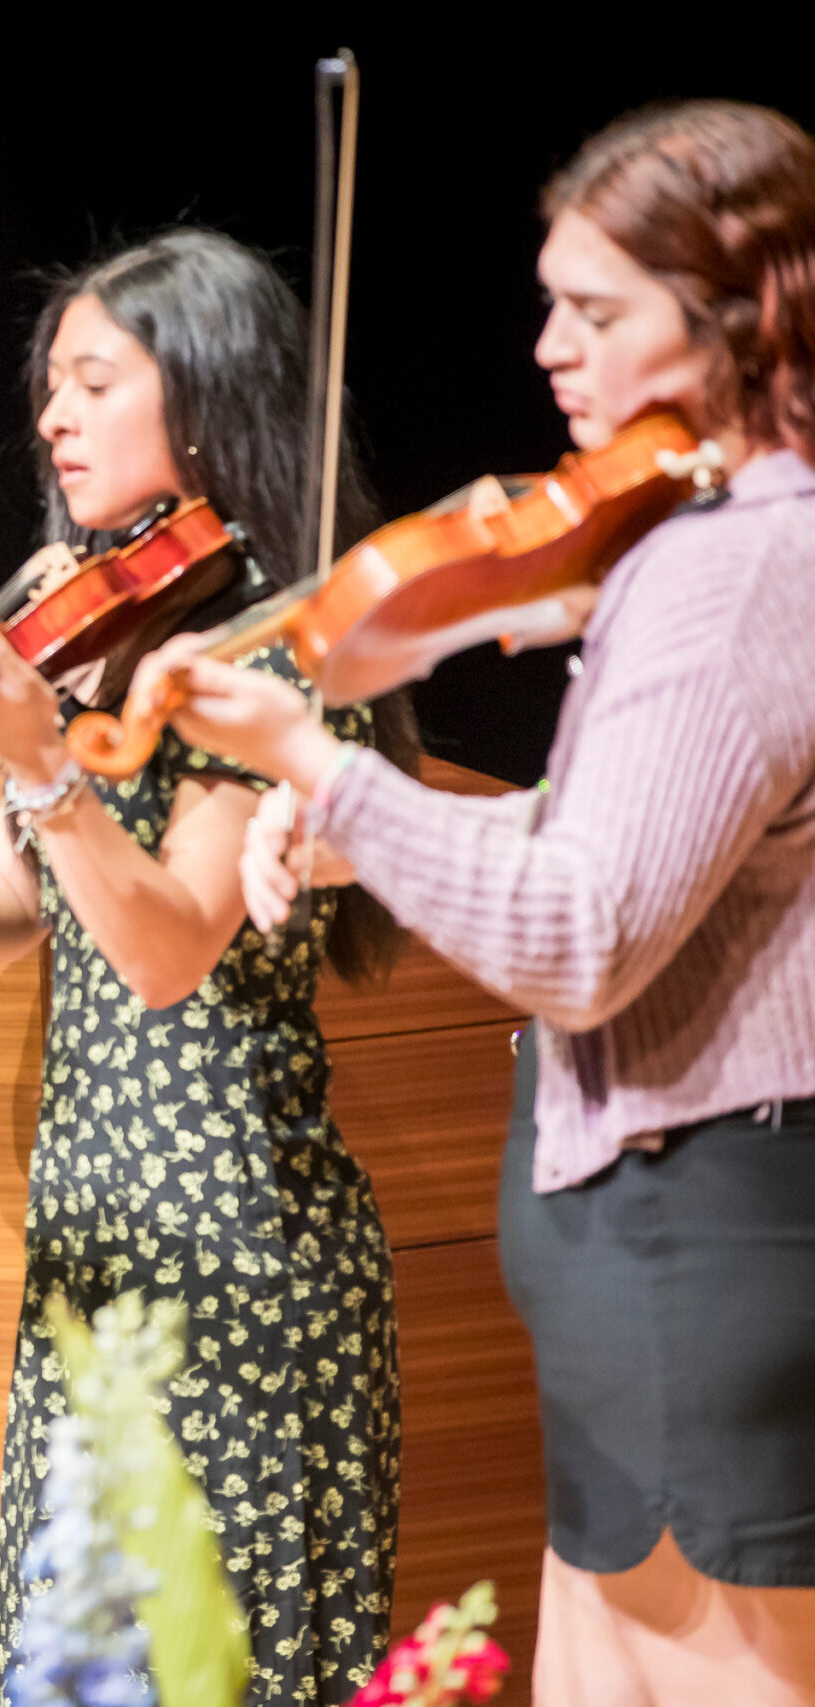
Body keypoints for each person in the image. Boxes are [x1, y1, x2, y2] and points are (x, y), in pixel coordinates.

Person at [140, 101, 815, 1705]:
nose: (550, 349)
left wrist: (318, 757)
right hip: (672, 1255)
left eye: (598, 310)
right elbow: (644, 851)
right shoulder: (726, 546)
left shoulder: (731, 567)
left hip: (695, 1239)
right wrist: (363, 832)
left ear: (739, 318)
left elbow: (581, 939)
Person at [0, 228, 409, 1703]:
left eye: (95, 382)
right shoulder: (89, 614)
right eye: (53, 385)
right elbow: (12, 893)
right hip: (94, 1238)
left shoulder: (276, 649)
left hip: (235, 1244)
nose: (53, 416)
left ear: (210, 399)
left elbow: (167, 943)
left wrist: (43, 763)